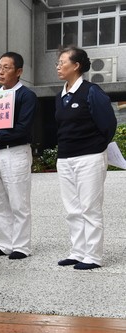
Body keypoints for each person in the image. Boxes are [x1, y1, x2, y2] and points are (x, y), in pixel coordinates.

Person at [54, 46, 117, 270]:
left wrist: (96, 148)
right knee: (72, 209)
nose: (58, 66)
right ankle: (77, 251)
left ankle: (93, 255)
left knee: (90, 207)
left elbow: (108, 125)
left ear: (76, 65)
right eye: (58, 63)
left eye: (62, 62)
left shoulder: (92, 91)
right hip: (66, 159)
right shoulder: (61, 95)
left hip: (89, 158)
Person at [0, 52, 37, 260]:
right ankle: (4, 243)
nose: (1, 72)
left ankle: (21, 246)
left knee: (18, 201)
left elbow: (23, 128)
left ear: (19, 71)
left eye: (7, 68)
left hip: (16, 151)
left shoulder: (26, 96)